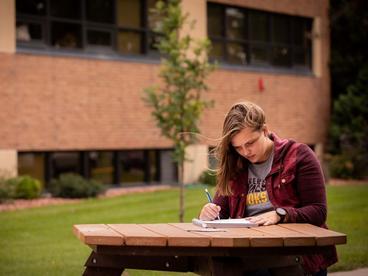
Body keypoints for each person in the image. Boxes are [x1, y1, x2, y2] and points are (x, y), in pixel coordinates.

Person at [199, 101, 337, 275]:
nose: (246, 152)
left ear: (264, 130)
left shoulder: (298, 156)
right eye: (238, 147)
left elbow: (318, 212)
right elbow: (221, 213)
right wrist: (208, 214)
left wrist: (281, 214)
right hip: (251, 256)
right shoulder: (236, 165)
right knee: (220, 267)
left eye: (250, 143)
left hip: (295, 256)